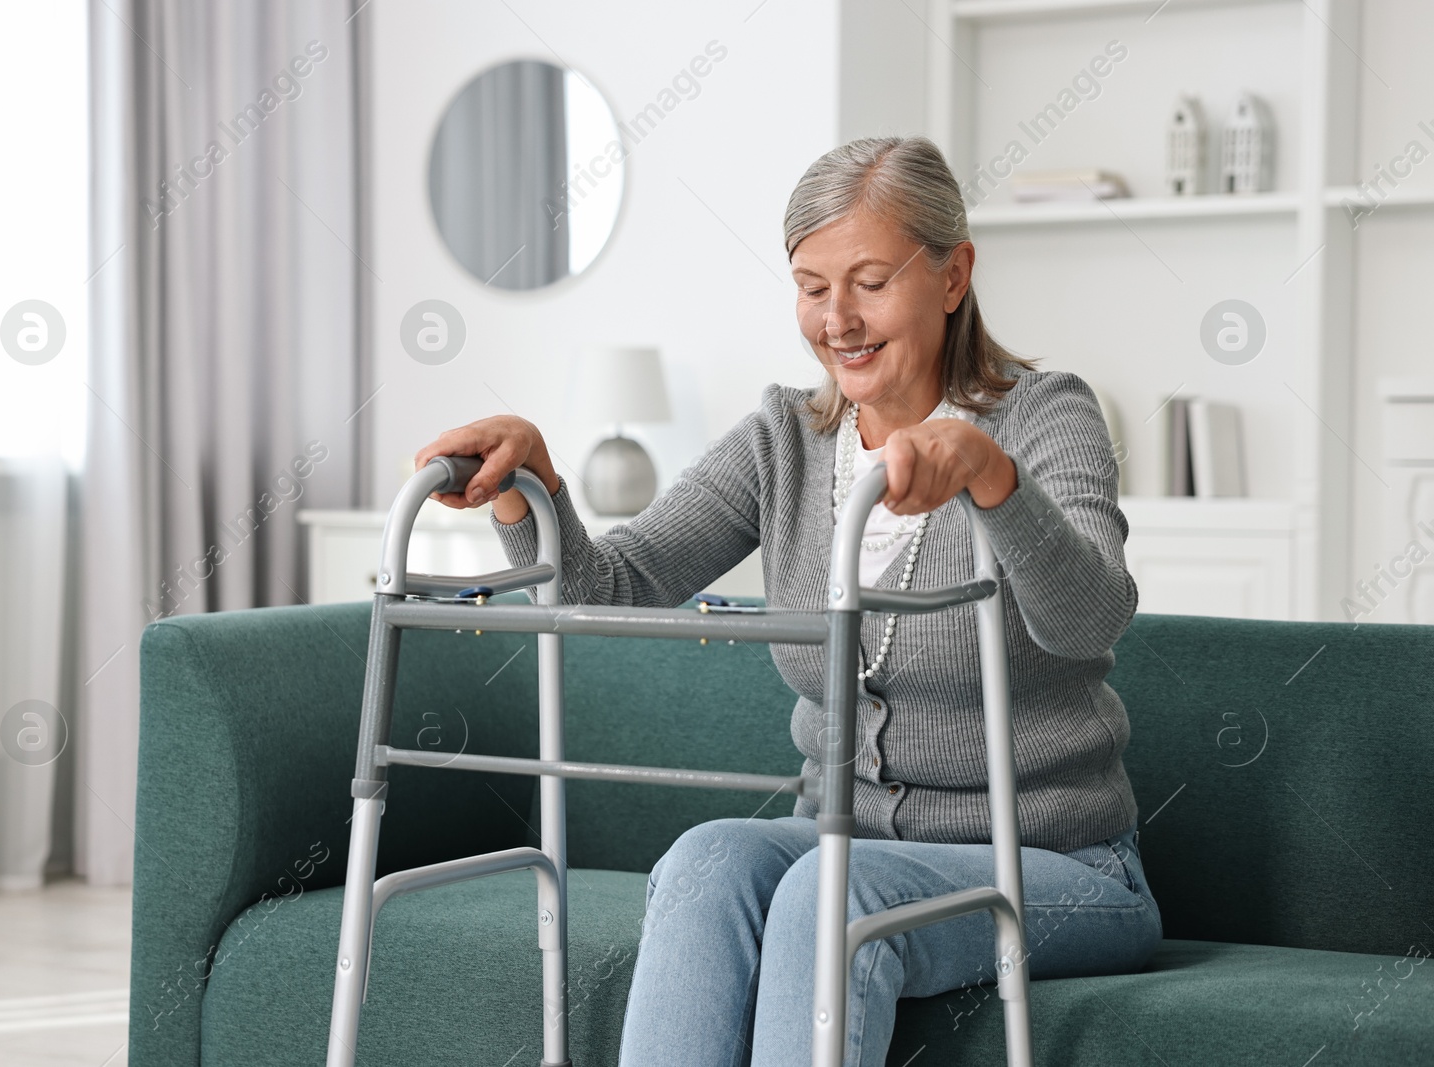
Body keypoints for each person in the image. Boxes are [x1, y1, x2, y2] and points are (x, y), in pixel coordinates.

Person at [412, 135, 1162, 1066]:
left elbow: (1090, 617)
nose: (837, 318)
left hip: (1061, 869)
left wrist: (993, 479)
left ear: (954, 274)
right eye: (812, 286)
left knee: (828, 889)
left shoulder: (1046, 415)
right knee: (706, 860)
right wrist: (535, 483)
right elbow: (613, 583)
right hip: (838, 839)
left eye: (870, 280)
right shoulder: (785, 441)